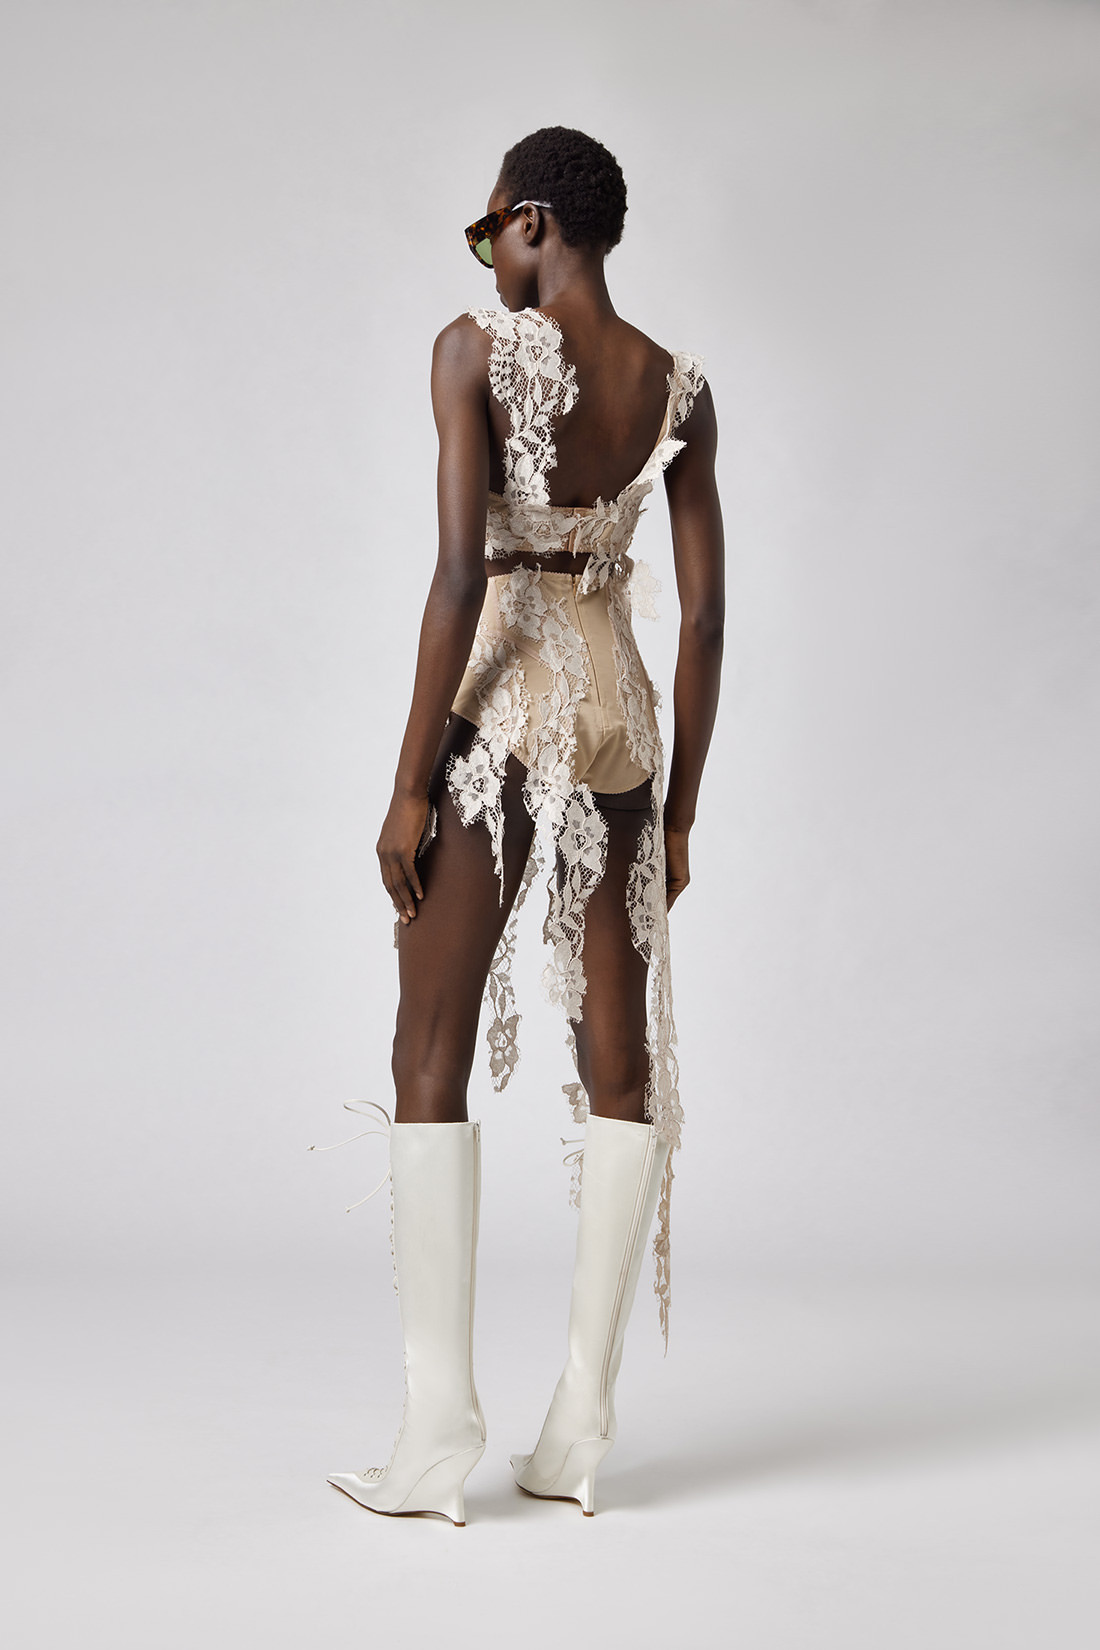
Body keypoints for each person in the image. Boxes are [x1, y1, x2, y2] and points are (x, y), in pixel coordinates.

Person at [326, 126, 724, 1523]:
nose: (485, 251)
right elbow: (706, 618)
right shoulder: (677, 385)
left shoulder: (472, 353)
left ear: (536, 221)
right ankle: (580, 1429)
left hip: (501, 711)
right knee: (621, 1061)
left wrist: (409, 786)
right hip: (622, 722)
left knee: (428, 1047)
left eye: (488, 226)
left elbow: (458, 578)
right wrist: (681, 813)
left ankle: (438, 1436)